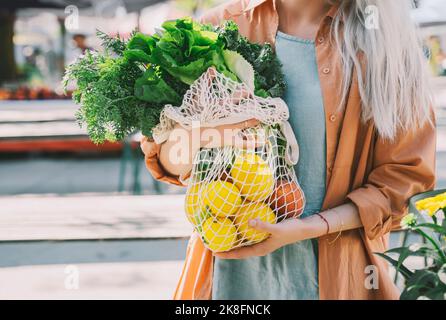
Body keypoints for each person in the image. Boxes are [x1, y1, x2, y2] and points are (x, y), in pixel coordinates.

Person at [141, 0, 436, 299]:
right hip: (229, 275)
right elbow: (167, 159)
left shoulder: (385, 42)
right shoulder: (221, 25)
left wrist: (310, 227)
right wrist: (205, 135)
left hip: (338, 276)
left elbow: (401, 183)